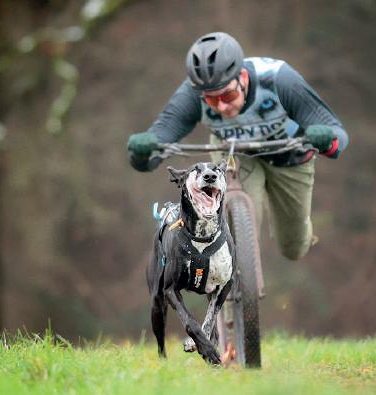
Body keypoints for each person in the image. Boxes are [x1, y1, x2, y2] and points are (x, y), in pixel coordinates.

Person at [127, 32, 348, 261]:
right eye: (212, 101)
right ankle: (230, 283)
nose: (222, 107)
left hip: (289, 155)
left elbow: (336, 133)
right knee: (234, 222)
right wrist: (142, 153)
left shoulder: (279, 80)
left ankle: (301, 233)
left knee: (293, 248)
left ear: (242, 77)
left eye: (228, 95)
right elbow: (159, 139)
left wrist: (326, 140)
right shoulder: (192, 94)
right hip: (234, 152)